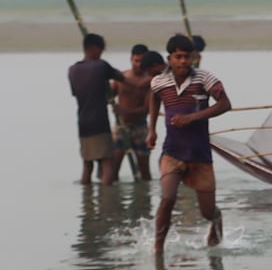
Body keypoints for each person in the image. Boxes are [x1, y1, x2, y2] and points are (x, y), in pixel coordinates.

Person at [147, 35, 231, 252]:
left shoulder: (204, 79)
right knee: (167, 199)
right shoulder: (159, 81)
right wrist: (151, 131)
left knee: (207, 212)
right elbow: (154, 98)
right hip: (172, 153)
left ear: (194, 58)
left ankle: (217, 219)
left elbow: (225, 104)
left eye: (187, 57)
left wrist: (192, 118)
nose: (183, 62)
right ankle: (158, 249)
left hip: (200, 155)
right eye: (178, 57)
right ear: (170, 59)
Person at [67, 33, 126, 186]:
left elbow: (77, 93)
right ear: (95, 49)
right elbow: (122, 78)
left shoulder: (72, 70)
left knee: (87, 164)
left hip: (83, 123)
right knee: (107, 161)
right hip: (99, 122)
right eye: (100, 51)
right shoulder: (101, 66)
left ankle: (87, 202)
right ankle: (107, 199)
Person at [111, 44, 164, 181]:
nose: (139, 64)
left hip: (140, 127)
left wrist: (124, 110)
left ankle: (143, 200)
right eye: (136, 61)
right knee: (112, 169)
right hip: (121, 126)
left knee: (144, 172)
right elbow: (108, 96)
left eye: (142, 61)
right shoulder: (122, 77)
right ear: (131, 59)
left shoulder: (151, 79)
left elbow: (146, 108)